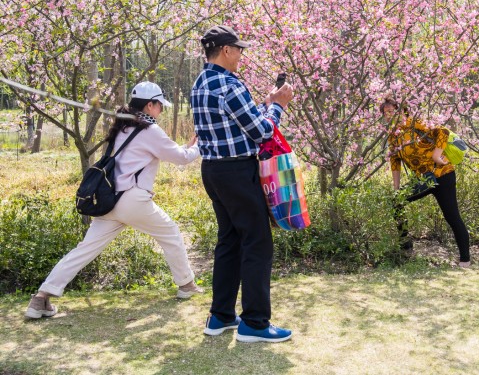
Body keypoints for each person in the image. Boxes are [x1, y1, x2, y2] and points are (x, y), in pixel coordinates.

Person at [25, 82, 203, 319]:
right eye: (160, 105)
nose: (161, 110)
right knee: (170, 233)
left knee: (85, 249)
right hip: (132, 200)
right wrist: (199, 146)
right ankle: (186, 286)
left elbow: (162, 153)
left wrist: (184, 148)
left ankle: (41, 298)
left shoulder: (123, 127)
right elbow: (181, 159)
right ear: (150, 105)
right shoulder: (149, 130)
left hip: (109, 200)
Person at [191, 25, 294, 343]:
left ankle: (220, 316)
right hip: (237, 172)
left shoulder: (201, 82)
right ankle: (255, 323)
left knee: (230, 241)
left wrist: (265, 106)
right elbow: (262, 132)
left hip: (213, 171)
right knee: (257, 242)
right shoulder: (230, 84)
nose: (241, 56)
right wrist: (278, 106)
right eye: (239, 50)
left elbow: (239, 123)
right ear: (225, 50)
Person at [381, 97, 471, 268]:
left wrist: (436, 156)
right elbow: (395, 163)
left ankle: (465, 260)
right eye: (386, 113)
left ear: (402, 111)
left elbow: (442, 132)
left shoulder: (416, 124)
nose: (389, 115)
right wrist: (396, 189)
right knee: (397, 200)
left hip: (443, 174)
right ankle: (406, 247)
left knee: (452, 217)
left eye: (392, 111)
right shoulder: (393, 137)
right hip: (425, 179)